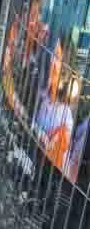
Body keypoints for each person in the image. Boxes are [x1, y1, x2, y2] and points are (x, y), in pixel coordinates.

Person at [34, 40, 76, 168]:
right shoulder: (44, 96)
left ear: (65, 72)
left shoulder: (65, 118)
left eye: (57, 58)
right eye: (53, 56)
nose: (52, 61)